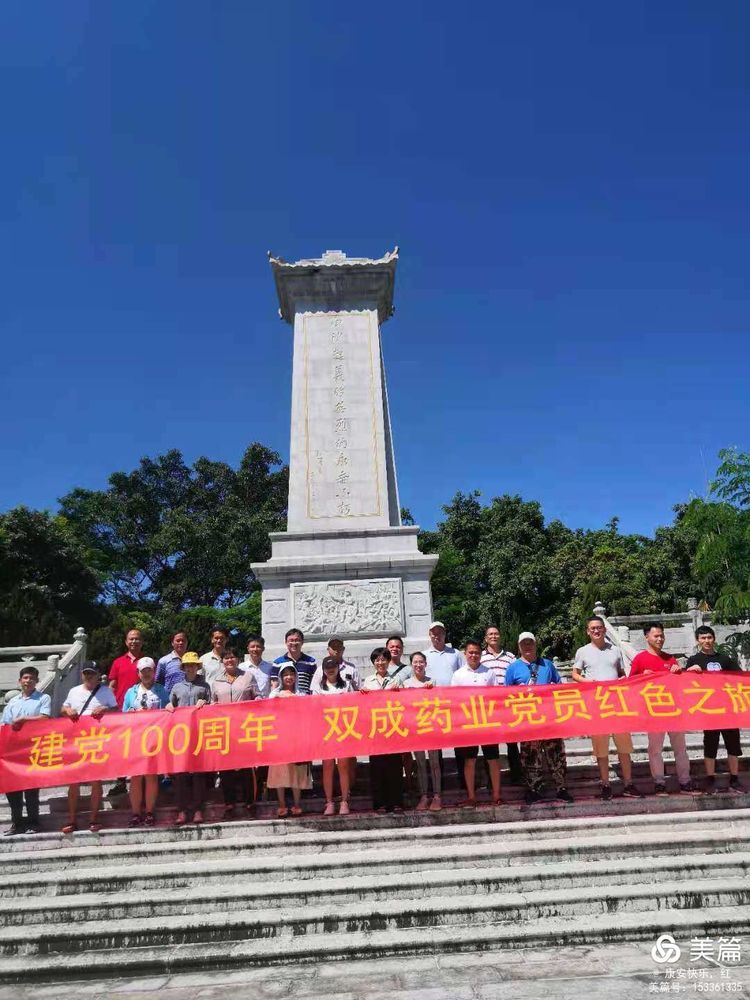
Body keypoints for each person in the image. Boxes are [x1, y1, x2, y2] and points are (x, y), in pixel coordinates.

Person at [572, 616, 644, 801]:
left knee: (624, 747)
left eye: (599, 628)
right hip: (597, 705)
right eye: (593, 628)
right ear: (588, 631)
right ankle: (605, 784)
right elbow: (575, 675)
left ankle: (628, 783)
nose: (596, 631)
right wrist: (589, 682)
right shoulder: (582, 651)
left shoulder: (615, 650)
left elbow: (621, 673)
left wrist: (622, 679)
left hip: (617, 705)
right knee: (601, 749)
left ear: (604, 630)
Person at [505, 632, 574, 805]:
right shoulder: (513, 668)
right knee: (530, 756)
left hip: (549, 719)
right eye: (524, 643)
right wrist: (518, 692)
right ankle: (534, 789)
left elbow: (559, 687)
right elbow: (505, 695)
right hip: (528, 720)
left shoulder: (547, 665)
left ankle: (561, 788)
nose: (527, 646)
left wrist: (553, 688)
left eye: (530, 643)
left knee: (556, 755)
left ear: (536, 645)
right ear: (519, 646)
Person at [630, 623, 694, 795]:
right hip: (654, 712)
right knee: (655, 749)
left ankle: (685, 781)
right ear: (646, 637)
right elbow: (631, 684)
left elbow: (680, 684)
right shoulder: (640, 659)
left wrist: (679, 672)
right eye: (656, 636)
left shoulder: (670, 658)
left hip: (674, 710)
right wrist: (642, 677)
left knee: (680, 748)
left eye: (661, 636)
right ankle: (659, 782)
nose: (660, 639)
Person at [685, 625, 744, 795]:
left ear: (714, 639)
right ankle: (710, 778)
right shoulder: (694, 660)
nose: (707, 641)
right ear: (698, 640)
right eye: (703, 638)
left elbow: (740, 679)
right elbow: (685, 684)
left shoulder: (725, 659)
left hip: (728, 710)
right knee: (710, 745)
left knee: (733, 745)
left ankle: (734, 778)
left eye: (709, 637)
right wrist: (689, 672)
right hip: (709, 711)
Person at [60, 661, 118, 833]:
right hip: (76, 740)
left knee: (95, 780)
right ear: (82, 675)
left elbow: (116, 711)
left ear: (98, 675)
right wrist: (67, 711)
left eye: (92, 673)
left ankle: (94, 818)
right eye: (86, 673)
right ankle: (72, 820)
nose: (89, 676)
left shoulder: (106, 691)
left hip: (97, 740)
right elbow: (63, 708)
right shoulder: (74, 691)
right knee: (73, 782)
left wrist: (105, 709)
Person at [451, 640, 502, 807]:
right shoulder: (458, 675)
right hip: (468, 724)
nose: (474, 655)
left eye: (477, 652)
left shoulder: (489, 673)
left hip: (488, 723)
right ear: (465, 653)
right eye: (470, 652)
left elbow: (496, 696)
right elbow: (454, 699)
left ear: (481, 654)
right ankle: (471, 796)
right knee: (469, 760)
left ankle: (496, 795)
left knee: (493, 760)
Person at [1, 666, 51, 835]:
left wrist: (24, 720)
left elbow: (45, 718)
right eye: (25, 678)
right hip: (13, 751)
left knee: (31, 789)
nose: (28, 681)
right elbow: (5, 725)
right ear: (20, 681)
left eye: (31, 678)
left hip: (33, 749)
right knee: (12, 789)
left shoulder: (43, 698)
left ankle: (33, 822)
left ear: (37, 681)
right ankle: (17, 823)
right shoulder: (13, 702)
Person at [212, 647, 260, 817]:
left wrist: (258, 702)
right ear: (222, 661)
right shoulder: (216, 681)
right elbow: (213, 703)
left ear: (238, 660)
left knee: (247, 768)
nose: (229, 660)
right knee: (226, 770)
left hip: (244, 728)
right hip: (225, 730)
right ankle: (229, 804)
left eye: (232, 657)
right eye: (226, 658)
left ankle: (250, 803)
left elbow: (257, 696)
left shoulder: (248, 677)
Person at [166, 651, 211, 825]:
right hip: (181, 736)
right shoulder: (177, 687)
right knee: (180, 774)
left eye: (193, 665)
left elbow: (213, 707)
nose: (190, 668)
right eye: (187, 666)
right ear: (183, 668)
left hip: (199, 734)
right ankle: (182, 810)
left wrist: (205, 704)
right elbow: (170, 707)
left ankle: (198, 808)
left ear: (197, 667)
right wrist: (169, 706)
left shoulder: (204, 686)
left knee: (198, 774)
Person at [122, 657, 168, 827]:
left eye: (149, 670)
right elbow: (124, 713)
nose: (146, 674)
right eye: (143, 671)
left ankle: (149, 812)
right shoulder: (131, 692)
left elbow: (168, 709)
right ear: (138, 673)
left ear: (154, 671)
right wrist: (132, 711)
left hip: (155, 737)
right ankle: (135, 813)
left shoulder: (161, 690)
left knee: (151, 775)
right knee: (135, 776)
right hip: (135, 737)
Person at [361, 647, 404, 814]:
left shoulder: (396, 680)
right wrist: (363, 694)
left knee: (395, 767)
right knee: (377, 768)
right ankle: (379, 803)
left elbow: (404, 702)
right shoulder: (368, 681)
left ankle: (397, 802)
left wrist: (398, 692)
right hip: (375, 730)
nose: (380, 663)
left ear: (388, 661)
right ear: (373, 663)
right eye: (377, 660)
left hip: (393, 728)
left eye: (383, 660)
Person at [267, 664, 312, 817]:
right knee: (279, 771)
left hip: (297, 737)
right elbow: (268, 711)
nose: (289, 677)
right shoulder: (274, 694)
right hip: (279, 738)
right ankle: (282, 804)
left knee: (296, 771)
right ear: (281, 677)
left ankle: (297, 804)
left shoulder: (302, 694)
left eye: (292, 674)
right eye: (285, 674)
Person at [313, 655, 356, 815]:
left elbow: (353, 705)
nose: (330, 670)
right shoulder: (318, 688)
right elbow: (314, 708)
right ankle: (329, 801)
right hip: (326, 731)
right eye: (327, 667)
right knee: (328, 766)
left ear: (338, 668)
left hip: (343, 729)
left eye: (333, 667)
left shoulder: (346, 685)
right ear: (323, 670)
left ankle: (344, 800)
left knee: (343, 766)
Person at [481, 625, 522, 784]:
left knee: (512, 742)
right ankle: (492, 780)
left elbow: (516, 676)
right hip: (488, 706)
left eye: (496, 633)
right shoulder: (481, 657)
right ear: (486, 638)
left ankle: (516, 776)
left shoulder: (510, 657)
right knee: (490, 743)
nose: (493, 636)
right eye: (490, 634)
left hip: (507, 704)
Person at [107, 628, 145, 796]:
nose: (134, 641)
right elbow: (112, 686)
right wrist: (111, 706)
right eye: (131, 639)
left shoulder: (147, 661)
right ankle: (120, 781)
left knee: (141, 746)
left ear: (142, 642)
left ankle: (142, 779)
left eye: (137, 639)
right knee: (122, 748)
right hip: (121, 711)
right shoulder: (118, 662)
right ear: (126, 642)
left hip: (142, 712)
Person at [404, 652, 442, 811]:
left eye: (421, 662)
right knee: (420, 763)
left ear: (425, 664)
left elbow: (439, 702)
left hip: (431, 726)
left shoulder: (432, 682)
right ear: (411, 664)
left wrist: (432, 691)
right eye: (415, 662)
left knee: (434, 762)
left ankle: (437, 795)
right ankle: (424, 796)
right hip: (415, 728)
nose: (418, 665)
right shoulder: (406, 684)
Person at [272, 628, 317, 695]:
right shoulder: (278, 663)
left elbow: (314, 684)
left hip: (305, 698)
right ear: (286, 642)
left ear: (302, 642)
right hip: (284, 697)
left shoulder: (311, 662)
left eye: (297, 640)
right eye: (291, 640)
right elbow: (274, 684)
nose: (294, 643)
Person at [423, 622, 463, 687]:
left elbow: (463, 673)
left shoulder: (456, 653)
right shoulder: (423, 655)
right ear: (429, 635)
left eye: (439, 633)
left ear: (444, 634)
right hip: (431, 692)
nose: (437, 636)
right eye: (434, 633)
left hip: (452, 692)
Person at [156, 630, 188, 695]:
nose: (181, 643)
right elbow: (158, 683)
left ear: (187, 642)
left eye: (183, 640)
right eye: (178, 641)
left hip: (189, 699)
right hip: (169, 699)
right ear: (172, 643)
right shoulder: (164, 661)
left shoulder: (193, 660)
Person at [244, 634, 275, 698]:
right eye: (252, 647)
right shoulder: (241, 667)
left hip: (266, 702)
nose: (255, 649)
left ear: (263, 649)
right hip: (248, 702)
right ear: (248, 649)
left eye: (258, 646)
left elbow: (274, 685)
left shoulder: (270, 667)